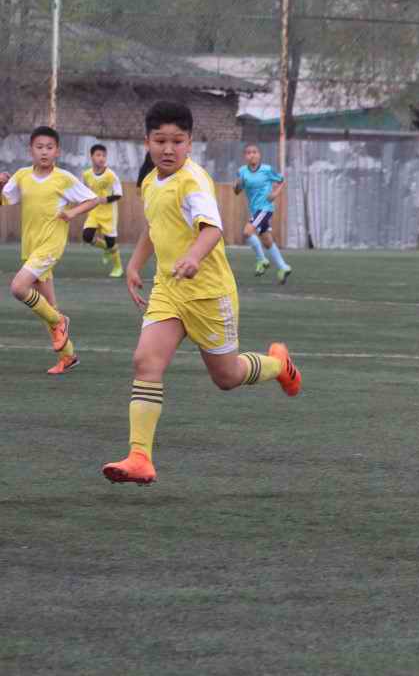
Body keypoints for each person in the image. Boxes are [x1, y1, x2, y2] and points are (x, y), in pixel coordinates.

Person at [103, 101, 302, 486]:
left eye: (177, 141)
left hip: (208, 294)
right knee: (145, 361)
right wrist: (134, 265)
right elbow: (153, 226)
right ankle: (140, 457)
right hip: (169, 289)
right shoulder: (150, 181)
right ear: (147, 142)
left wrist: (194, 256)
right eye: (160, 140)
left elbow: (212, 229)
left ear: (190, 143)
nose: (168, 149)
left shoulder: (193, 181)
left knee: (226, 377)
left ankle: (278, 365)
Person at [0, 126, 99, 376]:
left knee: (18, 288)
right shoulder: (22, 176)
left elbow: (93, 199)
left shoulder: (63, 178)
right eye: (39, 147)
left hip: (50, 246)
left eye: (49, 147)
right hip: (30, 247)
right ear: (30, 151)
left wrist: (72, 213)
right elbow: (4, 199)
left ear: (57, 152)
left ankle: (60, 321)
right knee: (49, 305)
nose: (44, 152)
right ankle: (68, 356)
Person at [234, 143, 293, 283]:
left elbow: (282, 181)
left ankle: (262, 260)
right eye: (249, 153)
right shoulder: (242, 171)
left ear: (259, 155)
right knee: (266, 241)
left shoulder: (267, 170)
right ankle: (283, 267)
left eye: (254, 152)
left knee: (247, 232)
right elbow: (237, 191)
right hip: (255, 210)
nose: (252, 155)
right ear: (245, 156)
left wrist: (275, 194)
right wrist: (237, 185)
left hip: (265, 208)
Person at [82, 143, 125, 279]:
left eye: (104, 156)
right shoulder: (86, 174)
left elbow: (119, 194)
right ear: (91, 157)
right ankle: (106, 248)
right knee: (87, 236)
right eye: (98, 155)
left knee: (111, 242)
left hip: (109, 214)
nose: (101, 158)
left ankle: (118, 267)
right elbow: (84, 191)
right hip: (93, 212)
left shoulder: (111, 175)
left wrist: (105, 199)